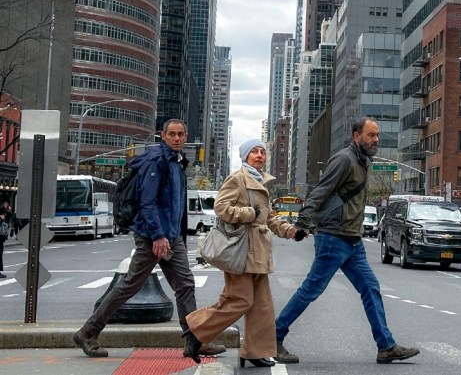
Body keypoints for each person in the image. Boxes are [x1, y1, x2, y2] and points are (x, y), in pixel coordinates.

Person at [73, 119, 225, 359]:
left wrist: (180, 238)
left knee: (185, 285)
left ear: (186, 137)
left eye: (181, 134)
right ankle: (88, 332)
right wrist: (157, 236)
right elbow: (147, 202)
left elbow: (177, 207)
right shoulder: (157, 161)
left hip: (170, 237)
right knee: (129, 286)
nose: (177, 138)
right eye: (172, 134)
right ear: (163, 136)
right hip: (152, 236)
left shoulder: (176, 163)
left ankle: (193, 342)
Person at [274, 117, 419, 365]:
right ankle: (273, 337)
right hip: (333, 237)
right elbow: (320, 191)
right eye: (371, 135)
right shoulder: (344, 160)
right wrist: (302, 222)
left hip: (352, 239)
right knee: (311, 290)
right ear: (356, 136)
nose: (376, 140)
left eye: (377, 135)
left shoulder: (362, 161)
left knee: (370, 288)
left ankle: (385, 346)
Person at [182, 139, 297, 367]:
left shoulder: (261, 182)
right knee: (241, 300)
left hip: (258, 252)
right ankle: (196, 330)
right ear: (245, 157)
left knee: (261, 306)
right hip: (242, 250)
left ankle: (255, 351)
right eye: (254, 152)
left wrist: (290, 231)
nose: (259, 155)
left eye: (262, 152)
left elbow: (269, 217)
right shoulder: (238, 178)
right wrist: (248, 214)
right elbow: (221, 207)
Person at [0, 199, 11, 279]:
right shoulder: (1, 212)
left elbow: (8, 220)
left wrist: (9, 211)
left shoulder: (4, 212)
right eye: (6, 203)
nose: (7, 205)